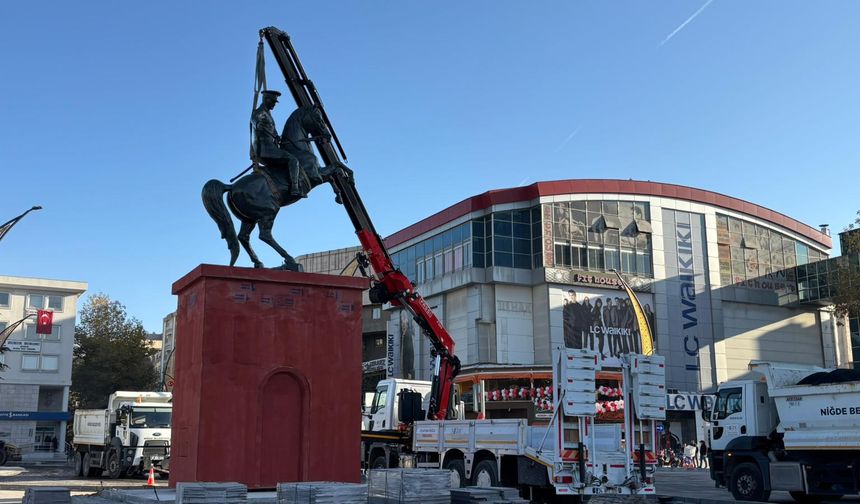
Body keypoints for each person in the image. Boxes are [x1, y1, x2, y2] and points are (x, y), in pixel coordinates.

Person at [251, 90, 306, 198]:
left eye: (275, 102)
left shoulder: (267, 113)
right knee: (293, 160)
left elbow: (272, 130)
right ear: (266, 99)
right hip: (265, 149)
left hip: (271, 147)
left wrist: (276, 136)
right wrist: (258, 125)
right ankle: (295, 188)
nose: (274, 104)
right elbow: (255, 120)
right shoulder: (260, 112)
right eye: (273, 101)